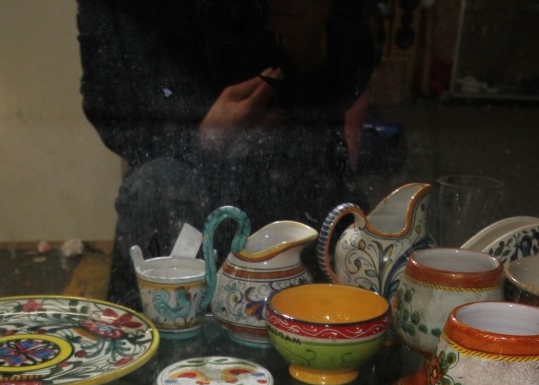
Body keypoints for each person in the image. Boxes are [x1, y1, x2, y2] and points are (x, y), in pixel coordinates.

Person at [77, 0, 377, 308]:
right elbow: (106, 101)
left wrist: (313, 46)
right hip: (172, 192)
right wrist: (195, 138)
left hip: (298, 177)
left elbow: (357, 61)